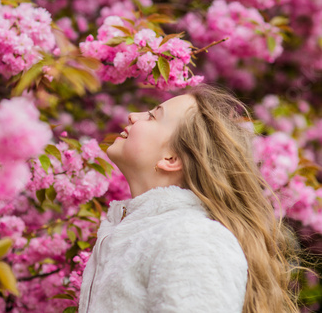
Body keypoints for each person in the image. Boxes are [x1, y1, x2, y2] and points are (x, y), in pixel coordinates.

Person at [78, 84, 298, 313]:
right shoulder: (141, 232)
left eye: (153, 116)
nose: (133, 116)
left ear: (171, 158)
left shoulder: (193, 237)